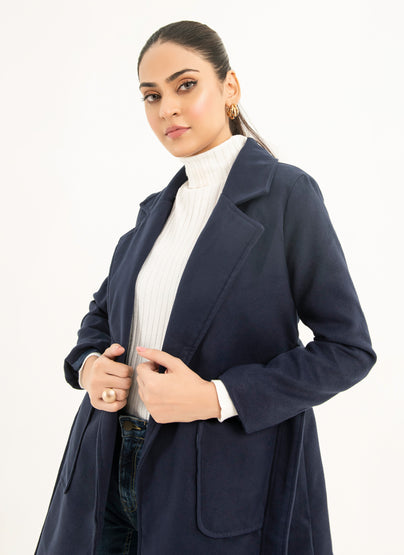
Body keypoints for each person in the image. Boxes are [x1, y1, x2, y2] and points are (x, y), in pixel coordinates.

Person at [36, 20, 376, 555]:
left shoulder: (286, 195)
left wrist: (216, 396)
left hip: (216, 481)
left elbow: (348, 349)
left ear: (230, 88)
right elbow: (100, 317)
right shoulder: (155, 212)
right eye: (152, 96)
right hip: (102, 469)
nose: (167, 108)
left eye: (185, 85)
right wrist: (89, 367)